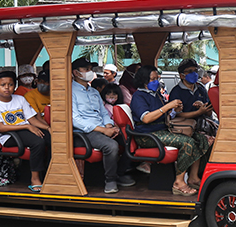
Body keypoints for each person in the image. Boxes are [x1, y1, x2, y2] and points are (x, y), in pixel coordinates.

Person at [129, 65, 210, 195]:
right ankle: (178, 182)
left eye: (157, 78)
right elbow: (146, 118)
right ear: (144, 81)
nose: (156, 81)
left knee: (200, 139)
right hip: (147, 135)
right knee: (187, 142)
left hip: (163, 130)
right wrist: (167, 107)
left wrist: (175, 110)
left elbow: (165, 115)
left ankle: (193, 177)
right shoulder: (139, 96)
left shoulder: (156, 95)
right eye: (153, 79)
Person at [71, 57, 135, 194]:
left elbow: (103, 112)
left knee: (129, 139)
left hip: (102, 127)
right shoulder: (69, 92)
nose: (90, 72)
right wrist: (102, 130)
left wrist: (109, 125)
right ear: (76, 73)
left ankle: (120, 173)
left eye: (91, 69)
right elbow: (74, 119)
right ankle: (110, 180)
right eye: (86, 69)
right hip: (84, 132)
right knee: (111, 146)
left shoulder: (94, 92)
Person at [0, 70, 51, 191]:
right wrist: (27, 126)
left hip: (26, 130)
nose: (7, 88)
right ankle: (35, 178)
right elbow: (0, 127)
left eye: (10, 85)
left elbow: (32, 120)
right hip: (8, 135)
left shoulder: (20, 99)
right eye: (3, 85)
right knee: (38, 142)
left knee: (53, 139)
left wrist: (48, 128)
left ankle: (51, 174)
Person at [169, 59, 214, 131]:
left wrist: (203, 106)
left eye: (195, 71)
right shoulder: (176, 92)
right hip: (185, 128)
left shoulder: (201, 89)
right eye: (190, 71)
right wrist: (198, 112)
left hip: (203, 125)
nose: (194, 74)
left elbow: (209, 112)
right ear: (182, 75)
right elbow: (177, 114)